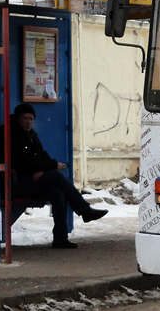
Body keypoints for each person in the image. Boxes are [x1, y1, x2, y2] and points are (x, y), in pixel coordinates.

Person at [8, 103, 108, 248]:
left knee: (58, 192)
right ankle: (85, 210)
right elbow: (24, 163)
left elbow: (42, 156)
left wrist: (43, 168)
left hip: (32, 180)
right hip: (16, 184)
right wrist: (50, 166)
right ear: (18, 119)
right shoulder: (12, 136)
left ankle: (61, 238)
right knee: (55, 175)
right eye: (25, 118)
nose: (28, 122)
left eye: (31, 118)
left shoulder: (31, 135)